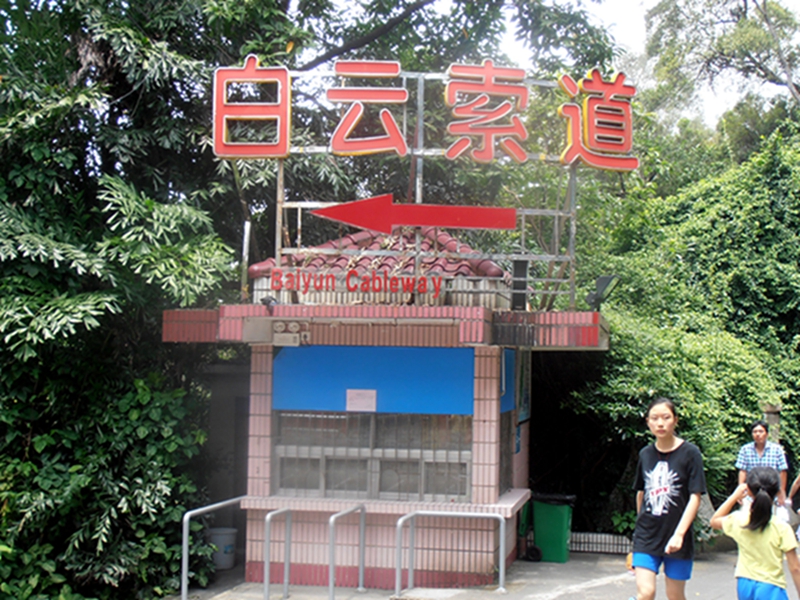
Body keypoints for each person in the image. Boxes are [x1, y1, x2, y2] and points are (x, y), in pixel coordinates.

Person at [630, 397, 707, 600]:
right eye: (654, 418)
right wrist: (641, 525)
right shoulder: (645, 454)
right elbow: (641, 492)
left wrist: (679, 534)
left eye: (666, 417)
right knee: (645, 593)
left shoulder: (691, 453)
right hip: (647, 536)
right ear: (648, 422)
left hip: (677, 536)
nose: (660, 423)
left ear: (675, 420)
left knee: (675, 596)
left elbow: (695, 497)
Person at [710, 467, 800, 599]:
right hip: (771, 587)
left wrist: (735, 496)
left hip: (744, 583)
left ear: (748, 490)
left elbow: (714, 521)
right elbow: (795, 568)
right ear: (777, 491)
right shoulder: (782, 528)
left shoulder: (739, 520)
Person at [735, 420, 789, 507]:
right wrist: (740, 490)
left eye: (761, 431)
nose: (758, 434)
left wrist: (782, 491)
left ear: (767, 434)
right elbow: (742, 471)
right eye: (755, 432)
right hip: (751, 491)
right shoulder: (745, 449)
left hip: (771, 491)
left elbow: (782, 471)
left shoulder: (777, 449)